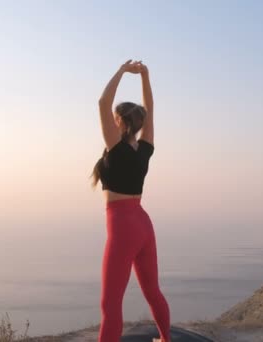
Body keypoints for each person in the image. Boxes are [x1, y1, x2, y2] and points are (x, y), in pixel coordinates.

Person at [90, 59, 171, 342]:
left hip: (123, 226)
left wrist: (123, 71)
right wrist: (145, 76)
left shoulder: (117, 148)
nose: (111, 121)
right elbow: (151, 111)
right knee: (152, 291)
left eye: (115, 119)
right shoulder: (144, 149)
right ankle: (165, 340)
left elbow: (102, 101)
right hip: (143, 223)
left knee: (110, 305)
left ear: (122, 122)